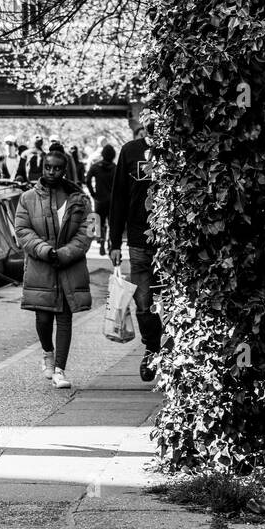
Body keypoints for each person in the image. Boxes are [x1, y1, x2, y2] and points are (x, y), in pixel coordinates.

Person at [15, 149, 94, 389]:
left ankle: (60, 370)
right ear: (43, 167)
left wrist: (64, 254)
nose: (52, 172)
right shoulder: (27, 198)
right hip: (41, 266)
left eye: (57, 168)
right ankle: (47, 353)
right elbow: (23, 231)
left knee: (65, 318)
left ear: (64, 170)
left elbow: (88, 231)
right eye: (48, 167)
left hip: (69, 267)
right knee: (43, 317)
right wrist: (45, 251)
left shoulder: (80, 199)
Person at [108, 120, 161, 383]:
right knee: (143, 305)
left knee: (173, 305)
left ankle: (174, 354)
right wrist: (114, 242)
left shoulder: (176, 151)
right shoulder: (130, 151)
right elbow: (118, 198)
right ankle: (152, 349)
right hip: (139, 242)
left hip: (172, 244)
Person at [85, 144, 117, 255]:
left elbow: (87, 180)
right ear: (113, 155)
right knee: (111, 223)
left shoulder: (95, 166)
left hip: (99, 199)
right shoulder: (115, 168)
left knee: (99, 222)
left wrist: (93, 193)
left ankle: (101, 241)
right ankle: (109, 241)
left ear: (102, 154)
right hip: (112, 200)